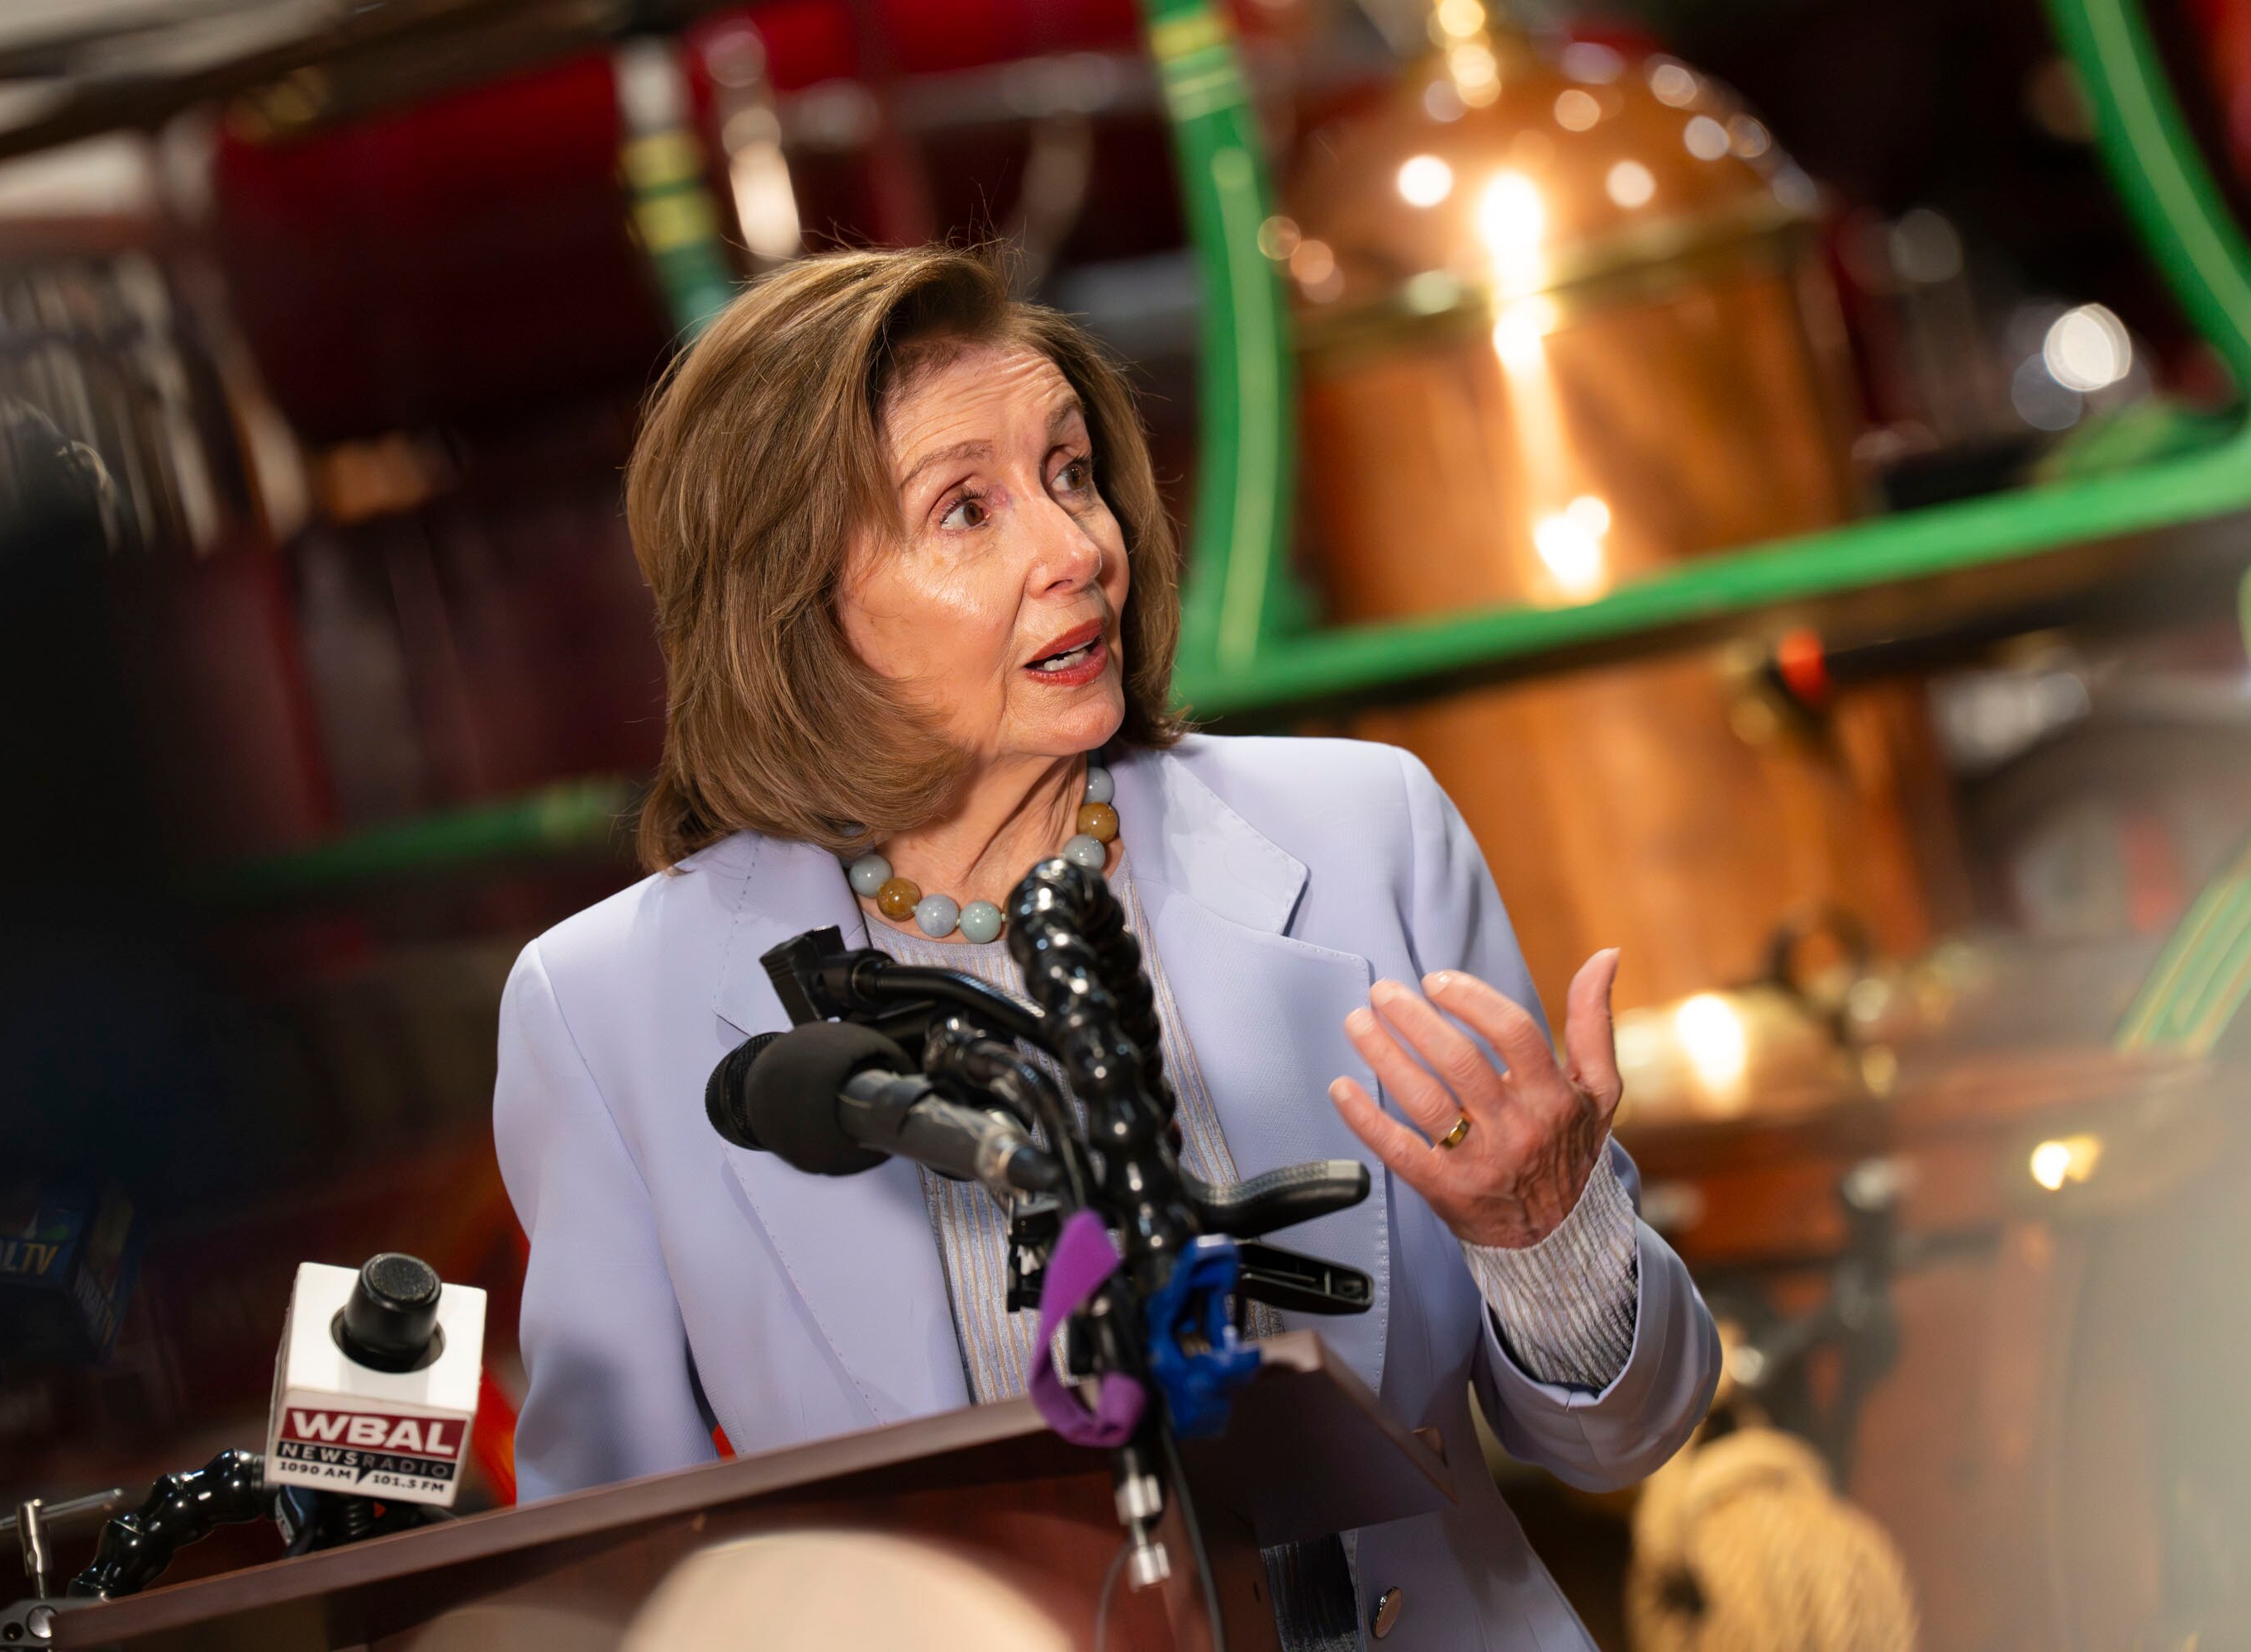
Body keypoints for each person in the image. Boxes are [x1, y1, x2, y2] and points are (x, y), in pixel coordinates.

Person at [493, 245, 1720, 1650]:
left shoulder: (1368, 831)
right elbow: (617, 1574)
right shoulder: (604, 1014)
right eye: (965, 509)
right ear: (794, 607)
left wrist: (1546, 1238)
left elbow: (1629, 1439)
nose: (1078, 550)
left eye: (1070, 473)